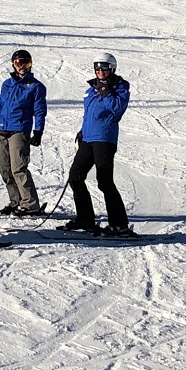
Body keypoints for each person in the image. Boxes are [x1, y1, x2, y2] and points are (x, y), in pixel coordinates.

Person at [66, 51, 137, 238]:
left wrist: (105, 90)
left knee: (104, 181)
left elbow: (117, 109)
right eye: (97, 68)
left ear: (112, 69)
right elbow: (89, 113)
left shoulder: (120, 87)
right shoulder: (91, 89)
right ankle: (85, 218)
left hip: (104, 139)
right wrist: (82, 132)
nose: (100, 72)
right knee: (75, 176)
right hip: (88, 138)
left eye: (104, 68)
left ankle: (119, 224)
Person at [0, 49, 47, 215]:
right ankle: (16, 201)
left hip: (19, 130)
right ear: (14, 65)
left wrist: (38, 131)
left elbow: (40, 110)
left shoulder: (35, 87)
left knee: (18, 168)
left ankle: (30, 204)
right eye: (19, 63)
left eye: (26, 63)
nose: (23, 67)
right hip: (2, 129)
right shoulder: (7, 84)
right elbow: (0, 107)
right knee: (4, 169)